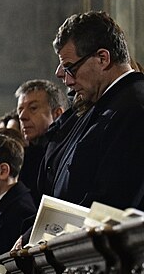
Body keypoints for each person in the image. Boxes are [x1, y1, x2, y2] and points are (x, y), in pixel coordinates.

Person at [46, 12, 144, 210]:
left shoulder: (134, 108)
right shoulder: (105, 102)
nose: (67, 80)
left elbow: (113, 200)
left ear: (102, 58)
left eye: (71, 68)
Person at [14, 79, 65, 201]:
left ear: (57, 114)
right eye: (20, 110)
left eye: (33, 108)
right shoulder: (22, 158)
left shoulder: (68, 154)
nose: (22, 116)